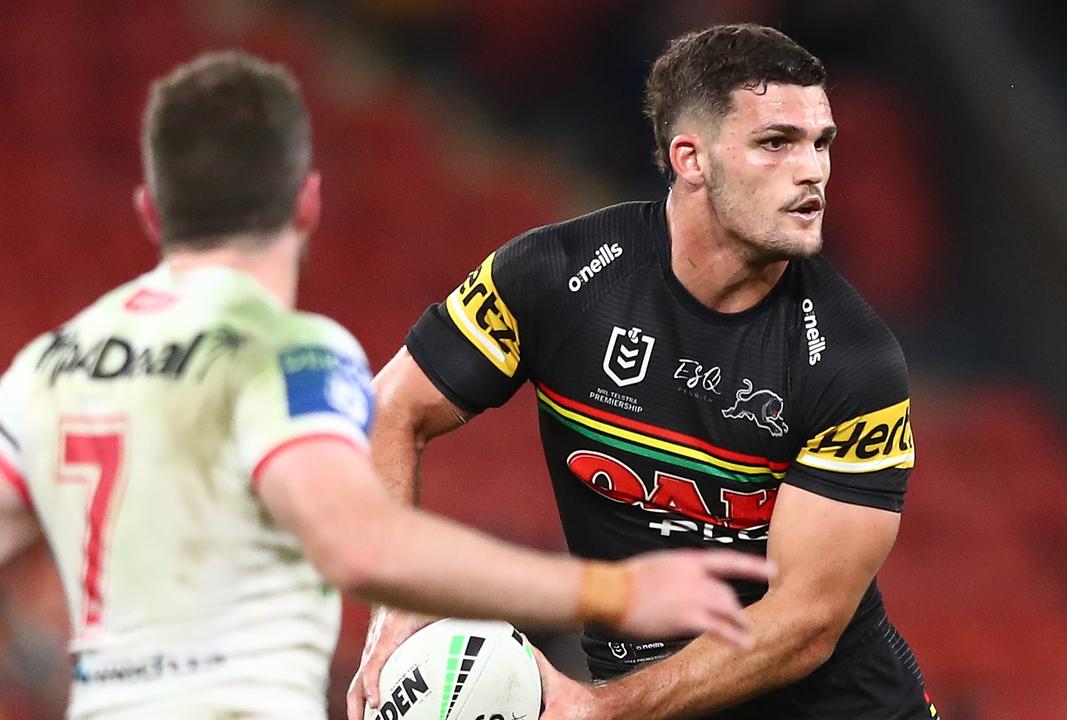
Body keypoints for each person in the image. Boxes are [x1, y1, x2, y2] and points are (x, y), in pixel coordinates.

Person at [0, 50, 773, 720]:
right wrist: (607, 595)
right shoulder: (291, 354)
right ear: (307, 202)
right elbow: (358, 543)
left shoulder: (47, 366)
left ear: (149, 210)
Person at [352, 21, 940, 720]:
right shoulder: (556, 277)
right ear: (691, 159)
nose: (813, 169)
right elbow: (391, 408)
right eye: (777, 142)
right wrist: (394, 606)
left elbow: (806, 625)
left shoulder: (852, 360)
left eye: (821, 143)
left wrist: (603, 708)